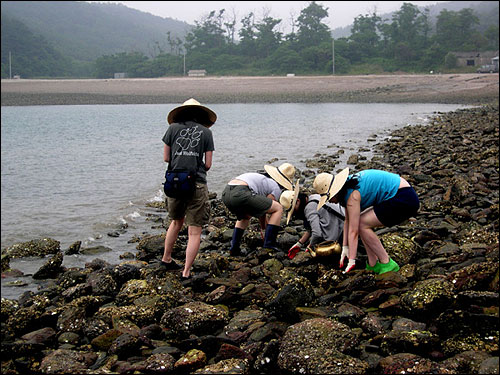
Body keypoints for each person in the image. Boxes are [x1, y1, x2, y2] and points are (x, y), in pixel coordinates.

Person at [313, 168, 419, 274]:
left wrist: (351, 260)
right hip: (398, 194)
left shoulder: (352, 196)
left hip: (404, 198)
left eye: (329, 198)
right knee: (361, 223)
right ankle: (373, 264)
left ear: (335, 192)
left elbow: (353, 231)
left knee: (362, 224)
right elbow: (348, 221)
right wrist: (345, 247)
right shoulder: (347, 188)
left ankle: (386, 262)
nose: (330, 202)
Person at [161, 98, 216, 280]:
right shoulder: (206, 133)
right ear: (201, 115)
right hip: (197, 182)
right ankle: (186, 272)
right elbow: (208, 165)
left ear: (181, 113)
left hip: (175, 181)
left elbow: (166, 158)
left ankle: (166, 258)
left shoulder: (172, 129)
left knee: (176, 222)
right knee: (194, 230)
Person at [221, 163, 296, 255]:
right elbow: (266, 209)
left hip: (226, 193)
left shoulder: (262, 179)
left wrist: (263, 227)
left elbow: (261, 208)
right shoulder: (276, 187)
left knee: (245, 216)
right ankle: (269, 244)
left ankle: (234, 248)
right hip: (241, 192)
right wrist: (264, 229)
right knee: (278, 208)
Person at [280, 184, 345, 259]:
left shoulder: (309, 208)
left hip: (341, 231)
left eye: (294, 209)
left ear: (298, 201)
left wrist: (310, 246)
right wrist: (299, 244)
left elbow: (317, 233)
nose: (295, 212)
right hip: (343, 221)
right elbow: (311, 228)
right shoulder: (312, 197)